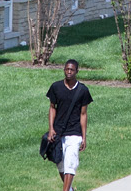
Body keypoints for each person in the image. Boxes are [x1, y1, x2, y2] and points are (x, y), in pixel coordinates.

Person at [46, 60, 93, 191]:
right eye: (67, 69)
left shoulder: (83, 90)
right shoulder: (56, 87)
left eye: (72, 70)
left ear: (77, 71)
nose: (69, 72)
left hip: (74, 132)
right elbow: (52, 108)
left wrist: (84, 137)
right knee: (60, 165)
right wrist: (51, 129)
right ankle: (70, 189)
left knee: (70, 164)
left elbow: (83, 114)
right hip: (58, 132)